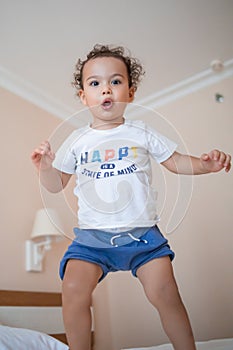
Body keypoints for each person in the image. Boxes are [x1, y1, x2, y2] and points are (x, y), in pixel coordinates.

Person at [31, 44, 231, 350]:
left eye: (116, 81)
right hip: (92, 239)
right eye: (95, 83)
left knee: (166, 295)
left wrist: (206, 164)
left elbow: (175, 161)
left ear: (130, 92)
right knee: (72, 289)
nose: (106, 89)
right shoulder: (77, 140)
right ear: (84, 97)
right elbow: (56, 184)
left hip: (142, 235)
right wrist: (45, 166)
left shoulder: (142, 131)